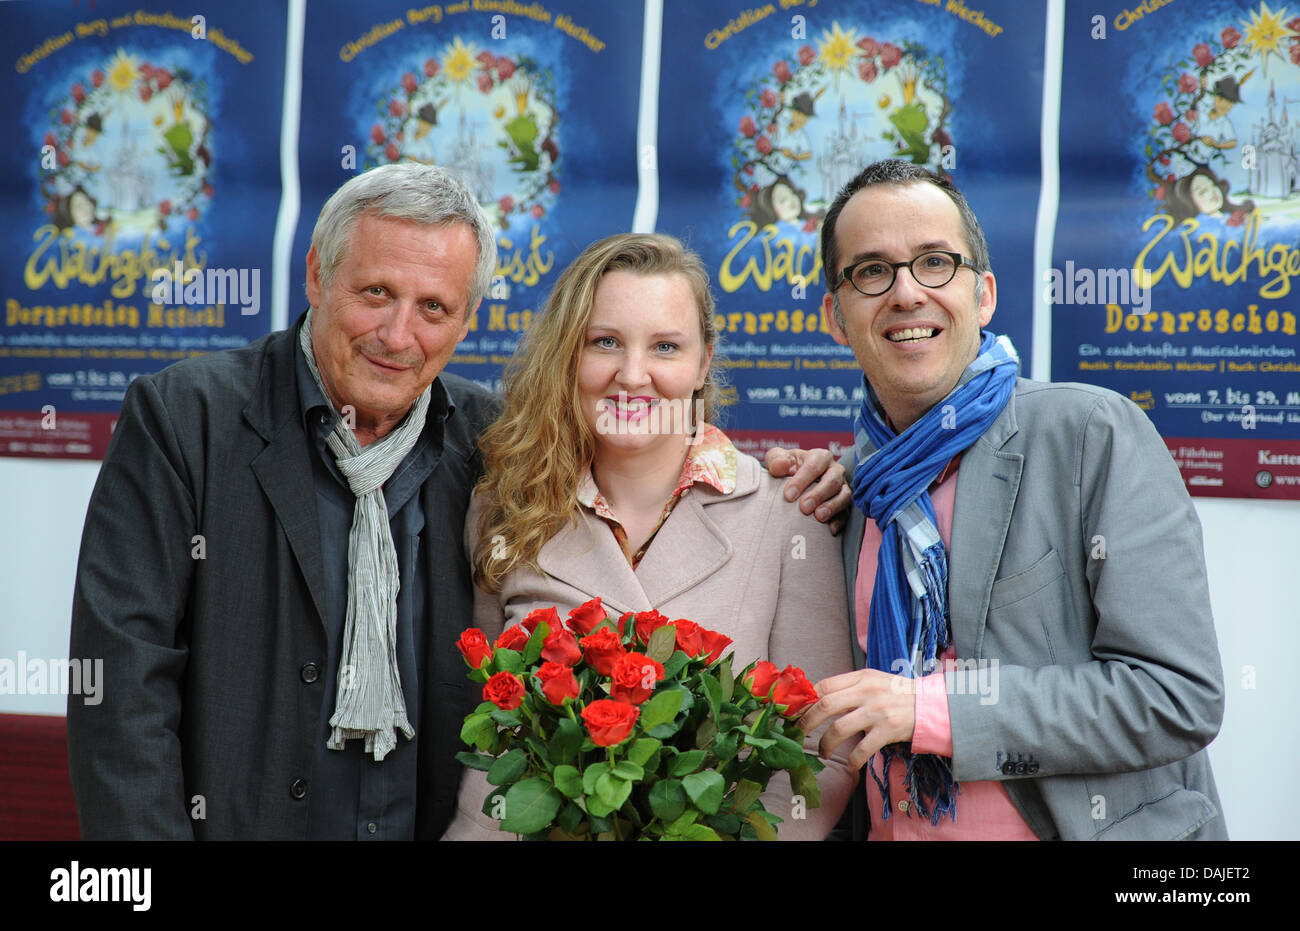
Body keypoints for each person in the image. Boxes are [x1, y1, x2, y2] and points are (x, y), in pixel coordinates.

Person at [66, 163, 846, 840]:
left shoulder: (486, 444)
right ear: (315, 275)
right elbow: (120, 686)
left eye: (434, 307)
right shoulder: (187, 419)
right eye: (376, 292)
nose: (398, 334)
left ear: (467, 318)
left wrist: (809, 470)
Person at [797, 159, 1227, 840]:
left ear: (985, 294)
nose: (906, 293)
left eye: (935, 262)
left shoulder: (1089, 434)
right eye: (871, 271)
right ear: (834, 316)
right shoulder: (848, 491)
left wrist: (928, 708)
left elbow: (1176, 697)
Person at [440, 233, 857, 840]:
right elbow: (487, 732)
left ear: (703, 361)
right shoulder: (502, 508)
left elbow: (822, 745)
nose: (632, 376)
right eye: (605, 342)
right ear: (567, 354)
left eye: (665, 346)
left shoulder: (789, 511)